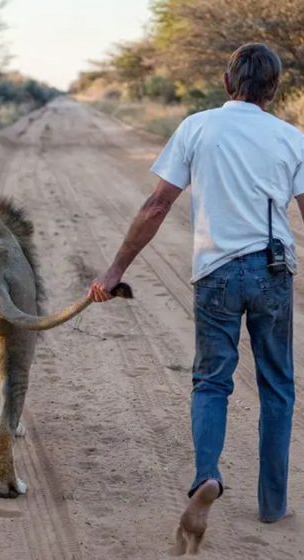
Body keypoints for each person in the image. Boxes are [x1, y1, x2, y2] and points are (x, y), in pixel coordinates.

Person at [89, 43, 304, 543]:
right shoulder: (292, 138)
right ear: (274, 90)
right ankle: (273, 505)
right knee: (278, 387)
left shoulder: (197, 127)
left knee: (211, 383)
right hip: (273, 274)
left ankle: (207, 476)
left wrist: (115, 268)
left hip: (216, 274)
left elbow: (157, 205)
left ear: (228, 83)